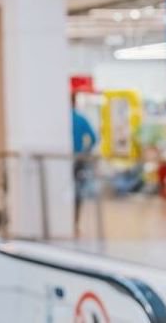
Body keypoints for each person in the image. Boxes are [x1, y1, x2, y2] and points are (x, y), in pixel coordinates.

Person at [72, 98, 99, 233]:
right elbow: (94, 138)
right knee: (77, 191)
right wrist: (84, 151)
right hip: (78, 159)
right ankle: (75, 221)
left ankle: (67, 219)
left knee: (65, 191)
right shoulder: (80, 119)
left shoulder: (63, 119)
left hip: (67, 162)